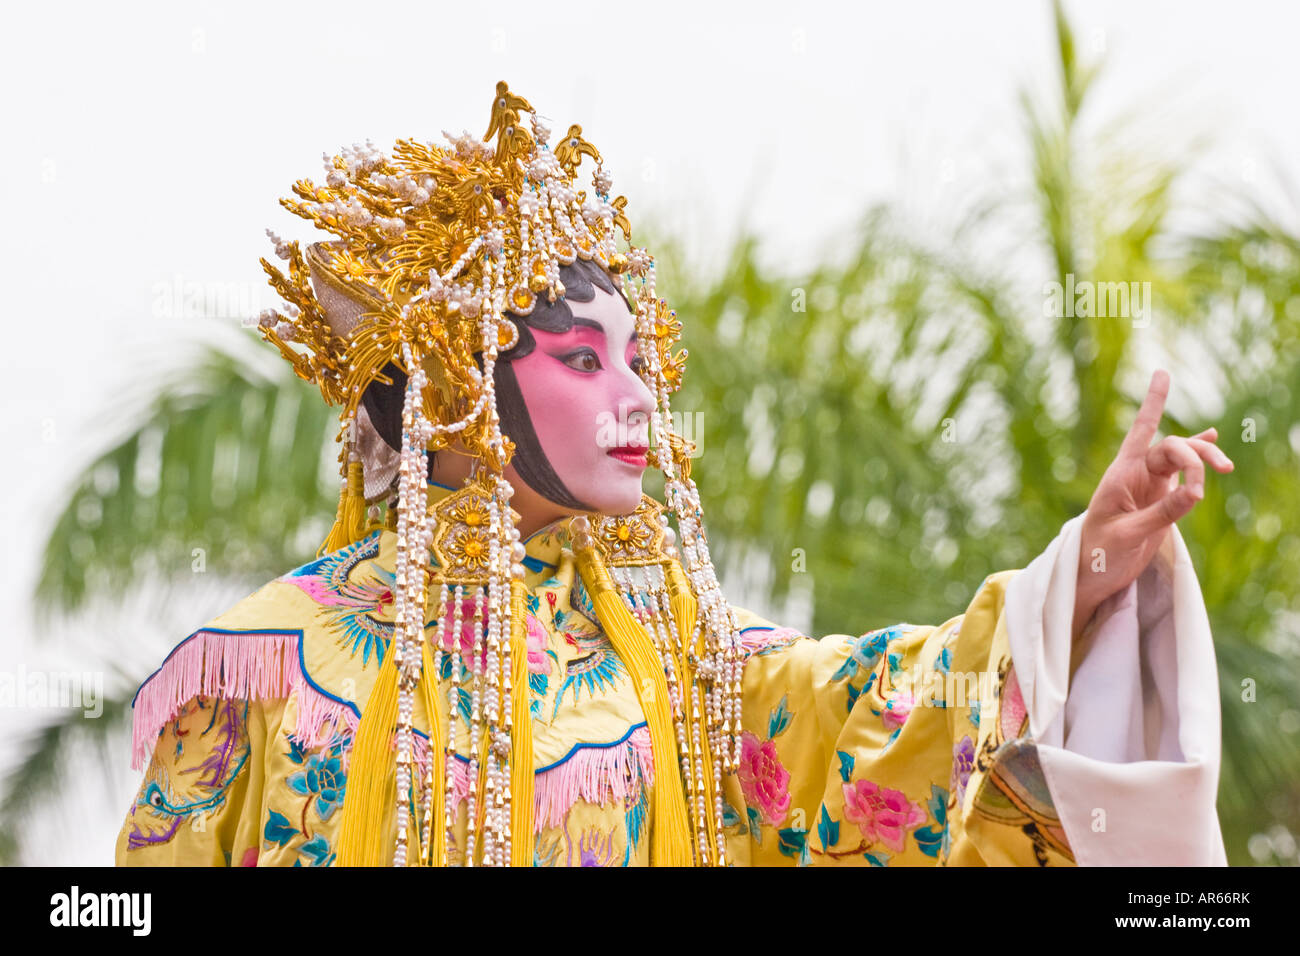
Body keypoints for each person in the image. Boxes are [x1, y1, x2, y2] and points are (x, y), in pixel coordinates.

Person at [114, 81, 1233, 867]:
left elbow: (879, 715)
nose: (638, 395)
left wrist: (1079, 571)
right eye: (584, 359)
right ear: (456, 376)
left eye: (639, 357)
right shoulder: (263, 664)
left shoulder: (685, 661)